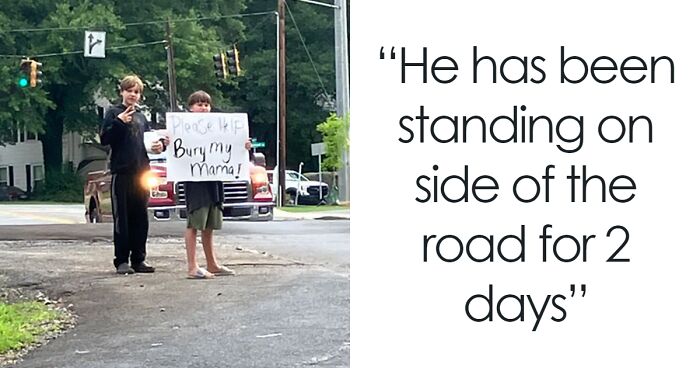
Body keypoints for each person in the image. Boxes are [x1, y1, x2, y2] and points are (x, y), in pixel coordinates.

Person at [100, 75, 168, 274]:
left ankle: (139, 259)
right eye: (129, 90)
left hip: (142, 172)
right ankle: (121, 260)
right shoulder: (112, 113)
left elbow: (149, 143)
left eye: (137, 92)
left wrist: (159, 146)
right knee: (123, 218)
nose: (133, 95)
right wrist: (120, 122)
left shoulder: (141, 117)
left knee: (141, 218)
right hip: (122, 172)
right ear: (122, 92)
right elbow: (105, 138)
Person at [183, 90, 251, 279]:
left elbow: (233, 146)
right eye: (199, 104)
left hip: (214, 180)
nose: (203, 108)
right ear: (191, 108)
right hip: (195, 182)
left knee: (210, 224)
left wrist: (243, 146)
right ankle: (192, 266)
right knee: (194, 223)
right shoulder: (182, 127)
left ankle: (212, 263)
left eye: (206, 104)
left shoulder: (220, 128)